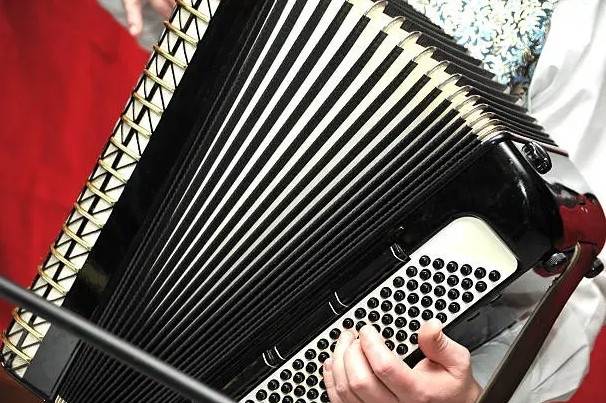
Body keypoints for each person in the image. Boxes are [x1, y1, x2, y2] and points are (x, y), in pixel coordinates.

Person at [109, 0, 606, 402]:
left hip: (326, 351)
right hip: (155, 268)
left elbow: (573, 273)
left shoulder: (577, 19)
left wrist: (469, 391)